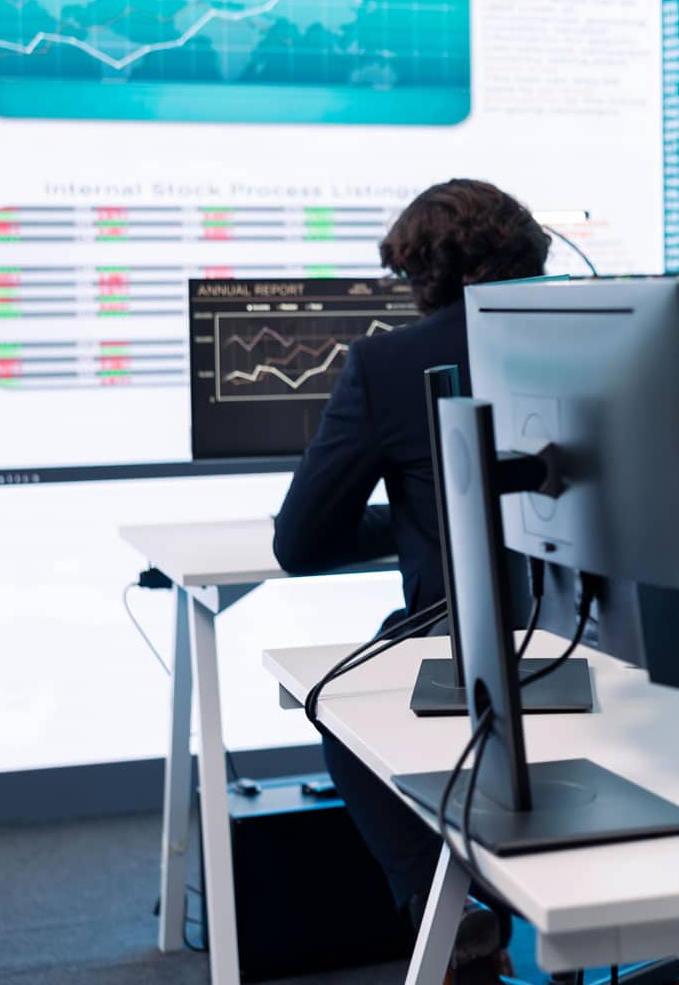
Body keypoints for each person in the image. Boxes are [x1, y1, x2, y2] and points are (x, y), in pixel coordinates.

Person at [272, 178, 550, 935]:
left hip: (468, 643)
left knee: (337, 700)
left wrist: (410, 514)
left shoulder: (387, 365)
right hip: (605, 635)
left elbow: (300, 545)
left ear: (425, 274)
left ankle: (450, 921)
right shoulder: (593, 337)